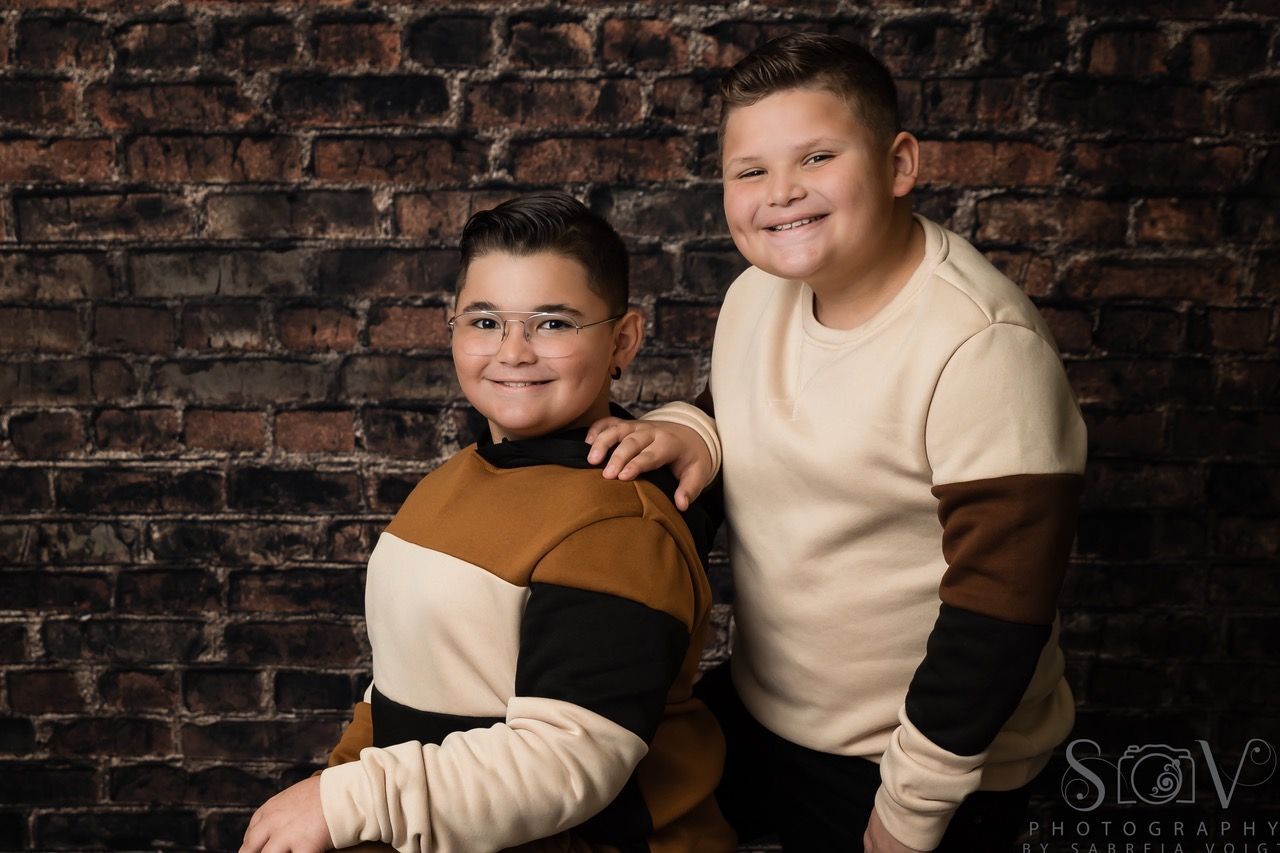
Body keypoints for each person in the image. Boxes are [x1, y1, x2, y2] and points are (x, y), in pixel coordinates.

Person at [586, 32, 1087, 853]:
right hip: (770, 711)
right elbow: (755, 408)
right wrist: (692, 426)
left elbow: (997, 619)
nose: (780, 192)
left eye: (817, 157)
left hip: (925, 762)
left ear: (898, 166)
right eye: (750, 171)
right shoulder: (759, 294)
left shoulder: (983, 348)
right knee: (584, 807)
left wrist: (911, 810)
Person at [239, 193, 735, 853]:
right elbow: (399, 686)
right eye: (484, 321)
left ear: (623, 339)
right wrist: (343, 786)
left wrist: (349, 799)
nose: (514, 351)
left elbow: (566, 761)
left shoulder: (618, 520)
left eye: (552, 323)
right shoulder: (447, 485)